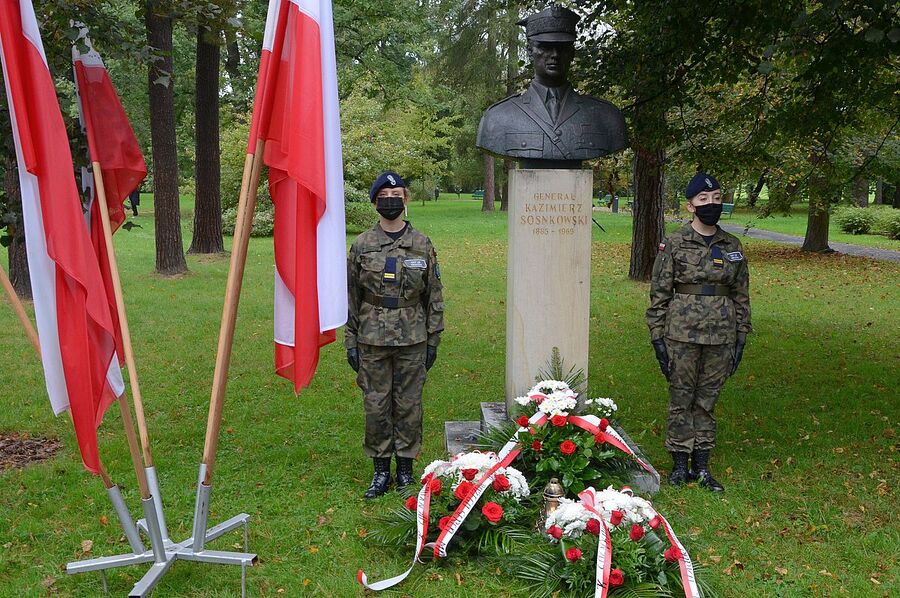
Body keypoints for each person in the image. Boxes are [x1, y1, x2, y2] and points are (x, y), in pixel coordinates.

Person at [646, 173, 751, 493]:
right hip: (681, 335)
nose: (711, 205)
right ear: (690, 206)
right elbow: (660, 291)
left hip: (721, 335)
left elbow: (741, 292)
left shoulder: (732, 245)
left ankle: (701, 466)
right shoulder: (675, 243)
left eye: (717, 198)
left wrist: (742, 334)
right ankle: (679, 464)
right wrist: (657, 335)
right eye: (704, 200)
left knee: (707, 400)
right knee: (681, 398)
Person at [346, 171, 445, 499]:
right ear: (375, 201)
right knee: (375, 405)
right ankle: (380, 471)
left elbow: (434, 296)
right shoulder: (362, 245)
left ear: (406, 200)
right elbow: (350, 297)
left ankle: (405, 469)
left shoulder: (422, 244)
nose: (391, 200)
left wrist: (433, 340)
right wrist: (351, 340)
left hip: (412, 340)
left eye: (397, 194)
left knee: (408, 404)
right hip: (371, 340)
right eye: (384, 196)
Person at [475, 5, 627, 167]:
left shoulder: (606, 116)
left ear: (572, 53)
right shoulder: (498, 117)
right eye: (545, 47)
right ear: (529, 52)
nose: (555, 55)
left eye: (562, 48)